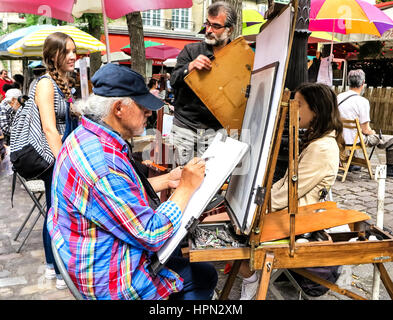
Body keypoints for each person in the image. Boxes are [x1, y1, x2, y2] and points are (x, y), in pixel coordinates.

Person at [46, 63, 218, 300]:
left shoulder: (84, 135)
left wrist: (168, 180)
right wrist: (187, 187)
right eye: (143, 107)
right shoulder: (103, 165)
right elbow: (151, 233)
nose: (149, 113)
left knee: (178, 249)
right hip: (110, 282)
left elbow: (115, 196)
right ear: (119, 108)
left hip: (87, 255)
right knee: (205, 275)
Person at [238, 83, 345, 299]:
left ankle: (251, 282)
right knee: (234, 227)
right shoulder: (319, 142)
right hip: (290, 213)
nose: (293, 109)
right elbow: (285, 186)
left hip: (296, 221)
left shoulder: (322, 147)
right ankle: (250, 279)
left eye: (299, 104)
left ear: (315, 110)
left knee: (237, 235)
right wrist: (256, 198)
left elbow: (287, 193)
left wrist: (253, 205)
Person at [170, 1, 237, 165]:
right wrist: (190, 67)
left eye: (215, 26)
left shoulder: (238, 56)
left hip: (216, 131)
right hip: (184, 126)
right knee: (178, 178)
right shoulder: (191, 51)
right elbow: (173, 81)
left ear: (230, 30)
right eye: (207, 24)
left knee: (208, 181)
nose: (209, 30)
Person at [35, 32, 77, 290]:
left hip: (62, 154)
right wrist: (63, 164)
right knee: (57, 211)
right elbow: (50, 129)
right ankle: (58, 268)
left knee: (58, 210)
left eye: (74, 51)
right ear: (54, 56)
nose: (73, 56)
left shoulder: (63, 81)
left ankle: (54, 265)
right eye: (68, 52)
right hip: (53, 158)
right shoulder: (45, 84)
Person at [338, 69, 393, 177]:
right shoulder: (362, 102)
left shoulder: (338, 97)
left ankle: (351, 162)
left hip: (339, 138)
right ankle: (391, 169)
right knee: (389, 140)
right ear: (363, 83)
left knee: (355, 134)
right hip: (354, 140)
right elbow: (365, 130)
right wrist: (373, 132)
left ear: (349, 82)